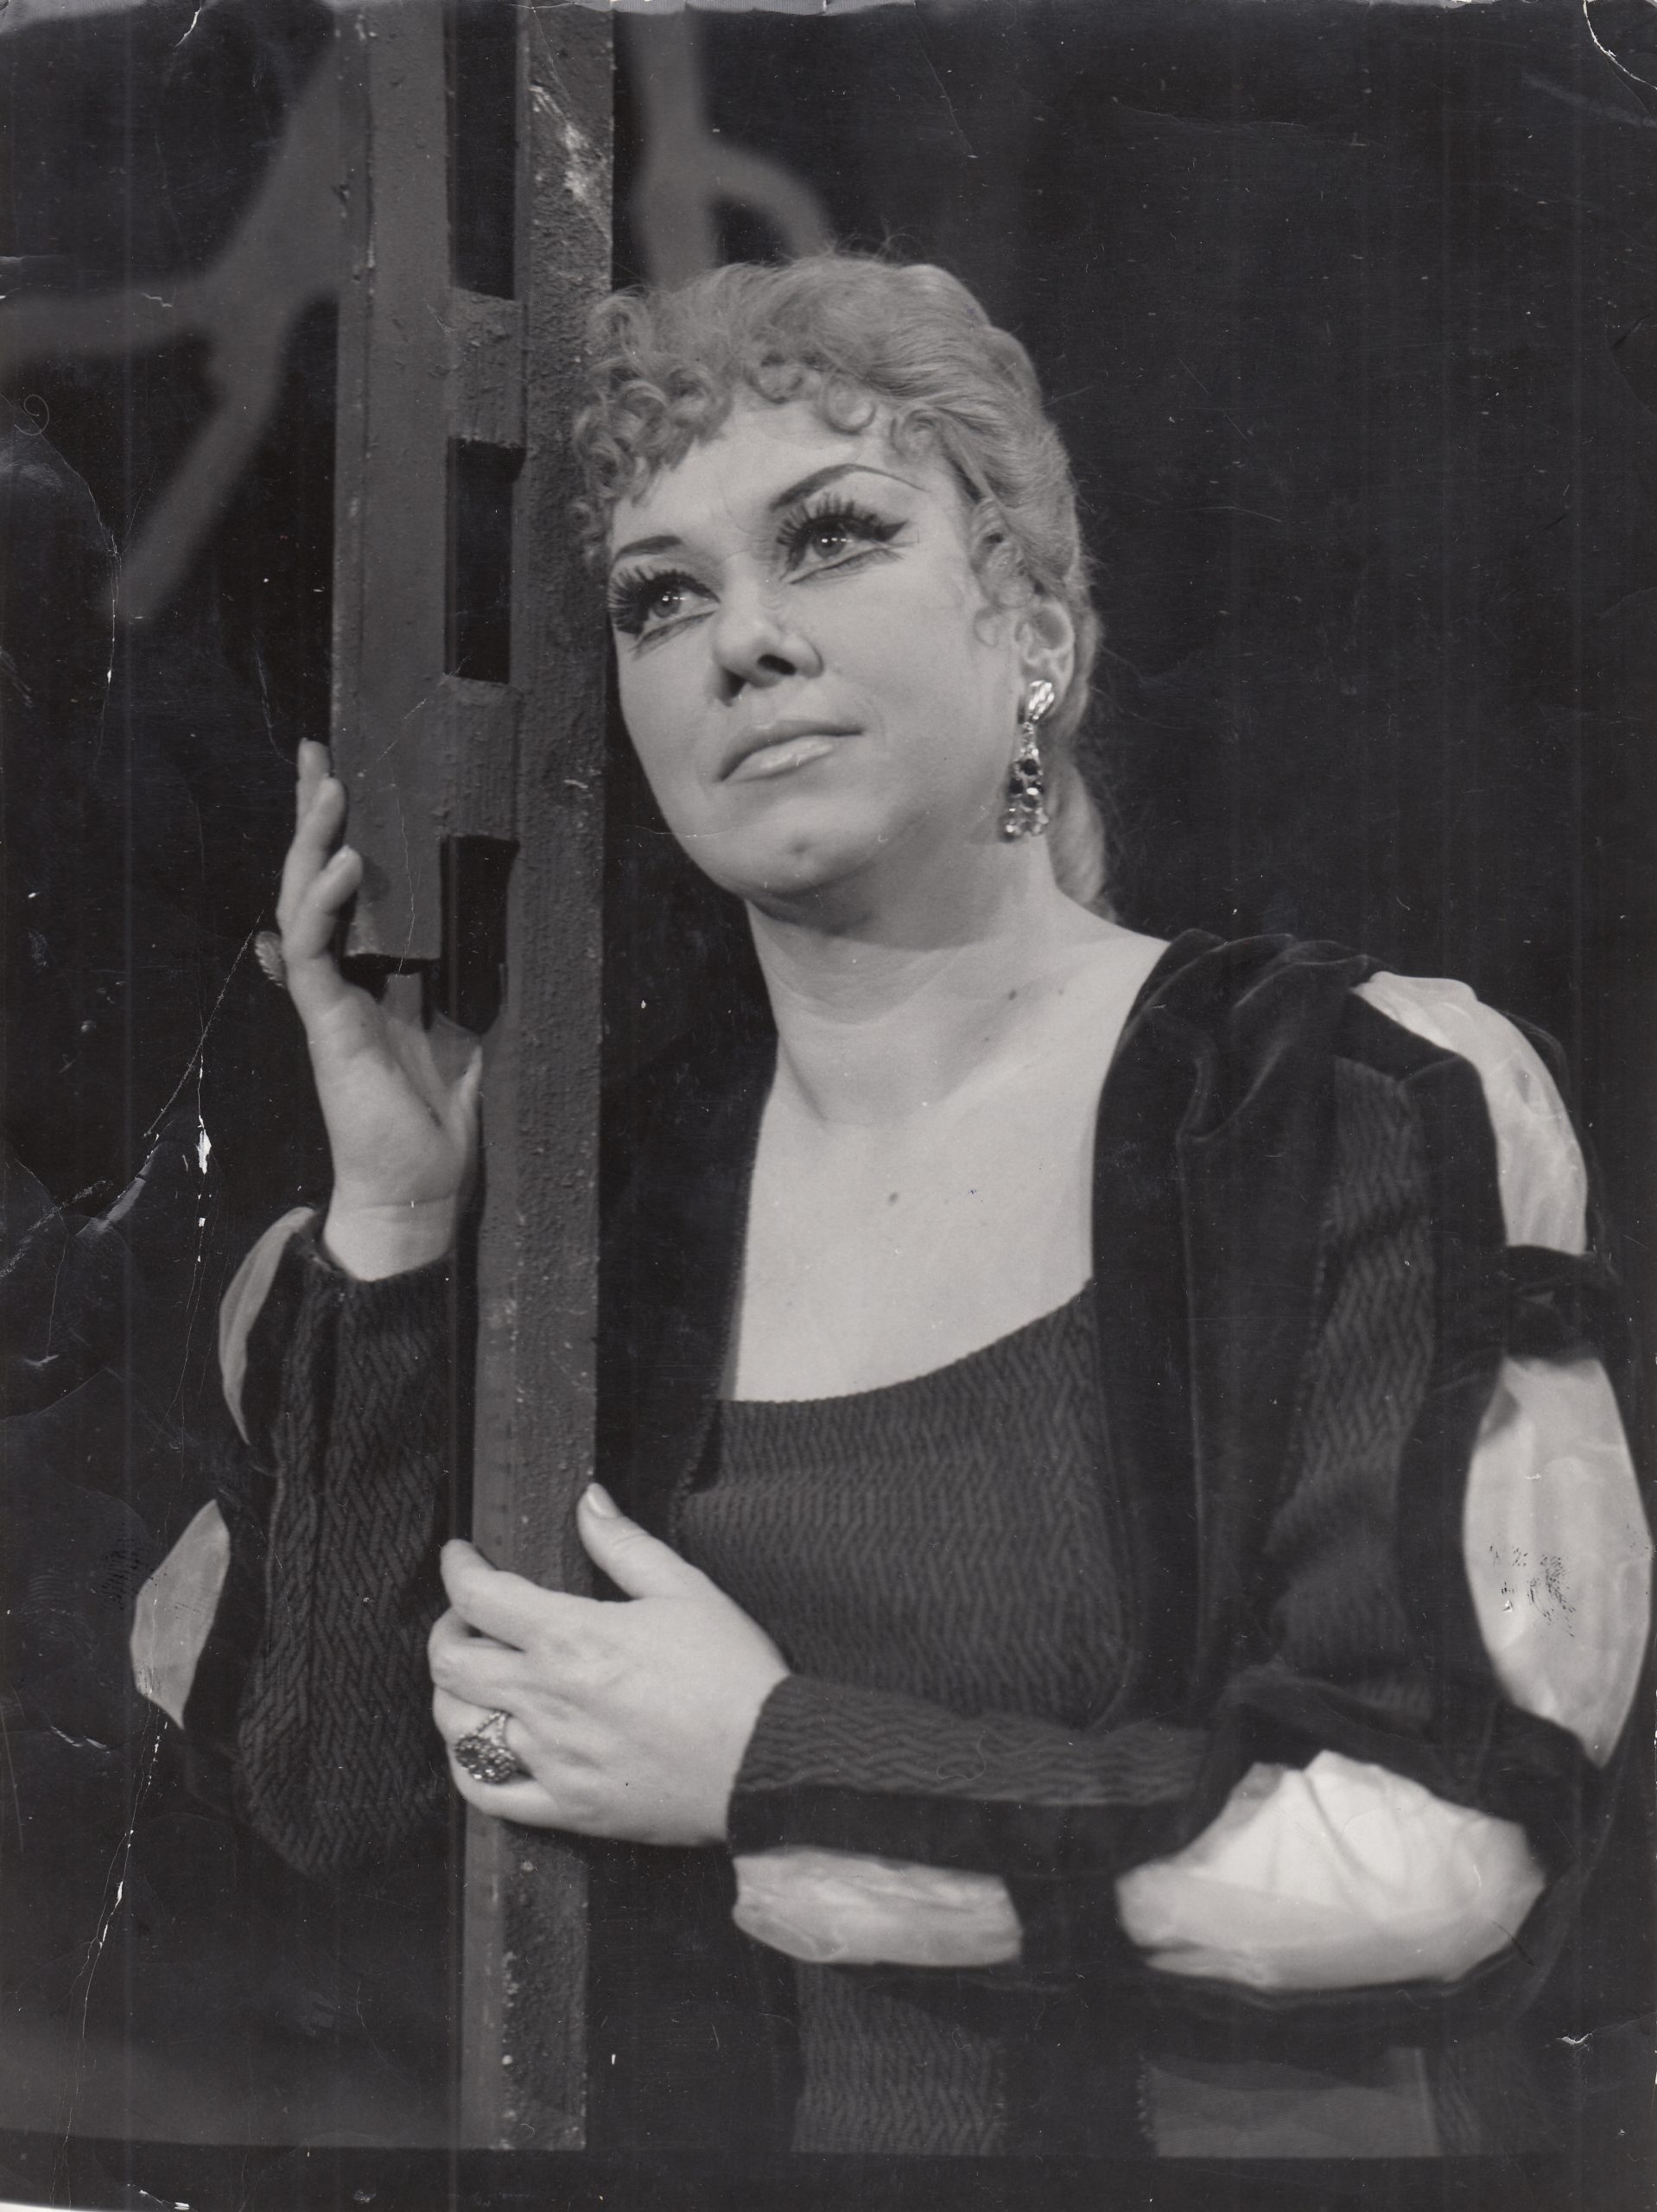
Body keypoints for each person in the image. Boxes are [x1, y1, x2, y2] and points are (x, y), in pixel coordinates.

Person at [133, 254, 1651, 2159]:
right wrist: (397, 1215)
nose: (741, 642)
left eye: (831, 538)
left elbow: (1446, 1852)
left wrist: (773, 1770)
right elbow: (332, 1804)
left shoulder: (1345, 1098)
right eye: (661, 596)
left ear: (1032, 627)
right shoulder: (600, 1208)